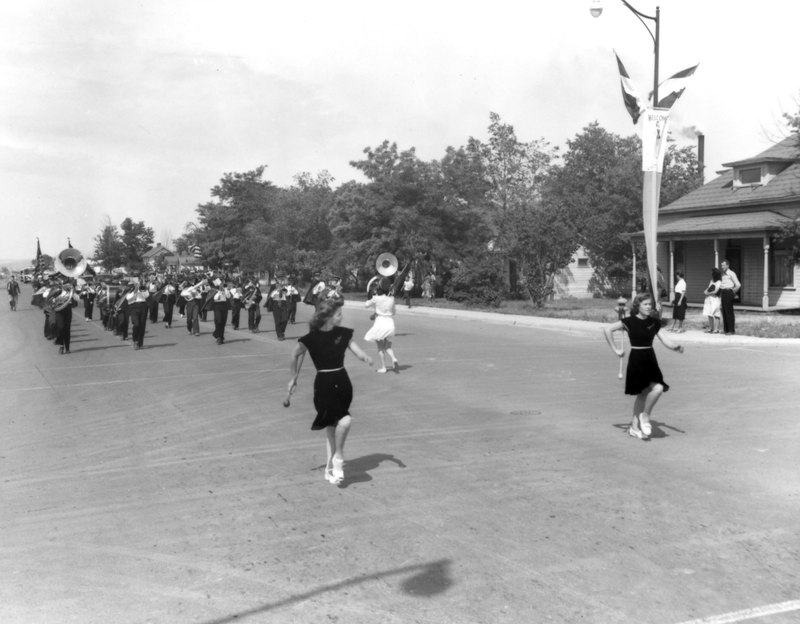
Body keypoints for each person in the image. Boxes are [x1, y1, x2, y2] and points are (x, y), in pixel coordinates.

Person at [287, 299, 373, 485]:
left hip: (343, 383)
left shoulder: (343, 333)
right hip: (324, 385)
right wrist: (293, 378)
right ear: (327, 317)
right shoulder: (311, 339)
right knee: (345, 421)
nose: (341, 317)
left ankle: (329, 470)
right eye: (338, 314)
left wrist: (363, 356)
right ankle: (338, 459)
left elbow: (354, 347)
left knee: (332, 431)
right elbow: (294, 354)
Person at [603, 292, 684, 440]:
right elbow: (607, 330)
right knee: (650, 390)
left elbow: (665, 340)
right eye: (645, 304)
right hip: (637, 360)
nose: (648, 307)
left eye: (650, 305)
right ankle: (644, 417)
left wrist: (675, 346)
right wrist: (616, 350)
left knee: (649, 392)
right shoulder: (629, 321)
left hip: (650, 360)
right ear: (637, 305)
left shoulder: (654, 322)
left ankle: (636, 425)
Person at [364, 278, 400, 373]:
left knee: (380, 347)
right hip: (390, 323)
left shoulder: (376, 298)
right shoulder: (392, 299)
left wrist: (372, 297)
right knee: (388, 347)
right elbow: (394, 312)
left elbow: (366, 304)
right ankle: (394, 359)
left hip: (380, 323)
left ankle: (383, 367)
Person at [127, 278, 151, 350]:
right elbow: (128, 298)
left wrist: (142, 289)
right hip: (134, 306)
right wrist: (134, 291)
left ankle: (140, 343)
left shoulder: (143, 288)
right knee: (136, 324)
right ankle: (135, 340)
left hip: (143, 306)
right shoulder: (131, 289)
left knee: (142, 325)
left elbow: (146, 296)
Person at [719, 259, 741, 335]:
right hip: (723, 292)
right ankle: (726, 329)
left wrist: (732, 292)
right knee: (724, 311)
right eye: (721, 265)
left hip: (729, 291)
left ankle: (731, 330)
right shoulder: (722, 274)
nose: (722, 267)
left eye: (724, 265)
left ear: (728, 265)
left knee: (729, 312)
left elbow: (738, 285)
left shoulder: (731, 273)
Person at [702, 268, 723, 333]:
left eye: (712, 273)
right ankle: (711, 328)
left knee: (716, 314)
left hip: (715, 299)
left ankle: (716, 329)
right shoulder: (712, 281)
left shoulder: (719, 282)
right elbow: (709, 288)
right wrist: (706, 291)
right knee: (709, 313)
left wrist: (708, 293)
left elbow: (716, 291)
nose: (711, 274)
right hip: (709, 299)